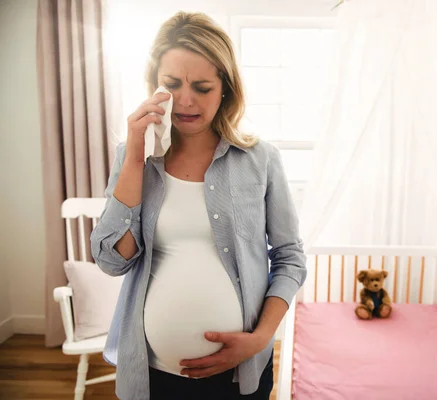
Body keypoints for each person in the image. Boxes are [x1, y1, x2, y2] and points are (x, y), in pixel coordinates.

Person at [90, 11, 307, 400]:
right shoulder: (134, 157)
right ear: (155, 86)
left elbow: (290, 257)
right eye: (171, 84)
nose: (185, 101)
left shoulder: (260, 159)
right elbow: (112, 261)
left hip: (240, 372)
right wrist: (136, 157)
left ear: (225, 88)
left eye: (202, 87)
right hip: (154, 373)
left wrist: (259, 339)